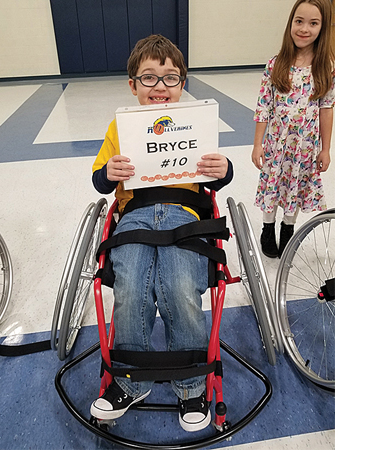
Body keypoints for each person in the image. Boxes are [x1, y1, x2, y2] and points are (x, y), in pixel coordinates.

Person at [90, 34, 233, 432]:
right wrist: (108, 174)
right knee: (132, 285)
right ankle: (129, 380)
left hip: (185, 213)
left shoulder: (196, 121)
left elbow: (218, 177)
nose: (160, 87)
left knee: (180, 285)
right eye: (149, 78)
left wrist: (223, 169)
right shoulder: (119, 128)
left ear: (183, 83)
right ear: (132, 84)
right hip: (134, 216)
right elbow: (100, 180)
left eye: (170, 78)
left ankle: (189, 384)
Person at [251, 0, 335, 258]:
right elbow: (263, 106)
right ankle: (268, 226)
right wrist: (258, 144)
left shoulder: (326, 68)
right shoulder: (276, 64)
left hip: (305, 147)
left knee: (295, 186)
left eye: (313, 23)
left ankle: (288, 227)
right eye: (299, 21)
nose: (304, 29)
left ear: (323, 27)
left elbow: (326, 108)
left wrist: (325, 149)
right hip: (277, 143)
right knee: (274, 185)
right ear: (291, 23)